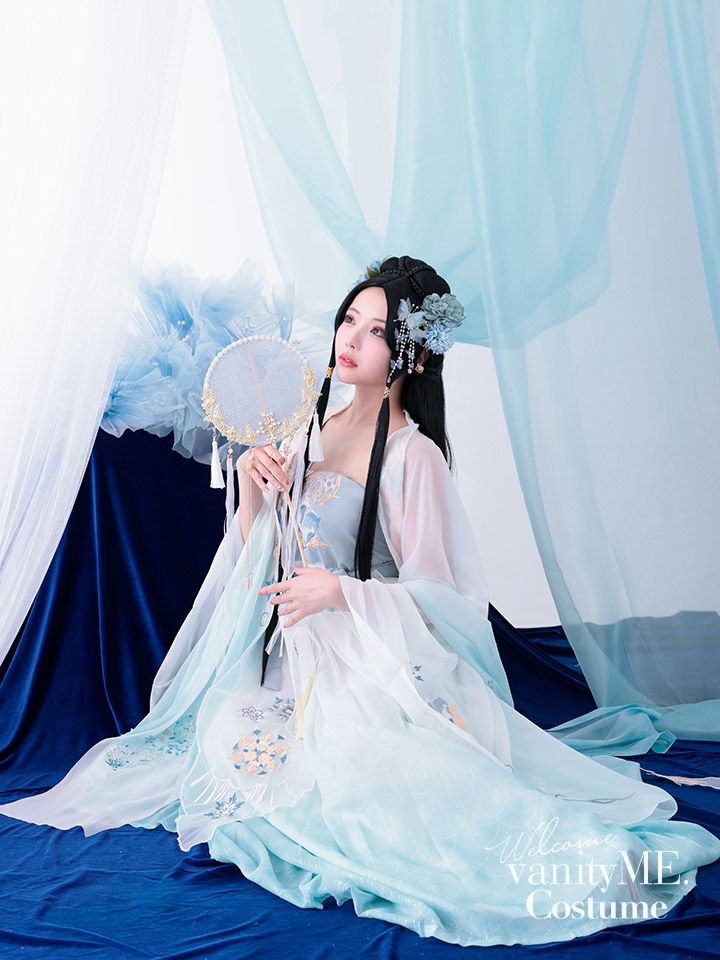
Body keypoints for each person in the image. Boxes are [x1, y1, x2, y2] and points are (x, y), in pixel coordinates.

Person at [1, 255, 718, 947]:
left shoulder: (412, 456)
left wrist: (342, 593)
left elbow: (448, 600)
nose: (351, 339)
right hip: (296, 663)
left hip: (372, 665)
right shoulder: (308, 428)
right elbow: (265, 560)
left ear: (414, 355)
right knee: (225, 747)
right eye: (349, 319)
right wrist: (251, 489)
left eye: (376, 330)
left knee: (361, 787)